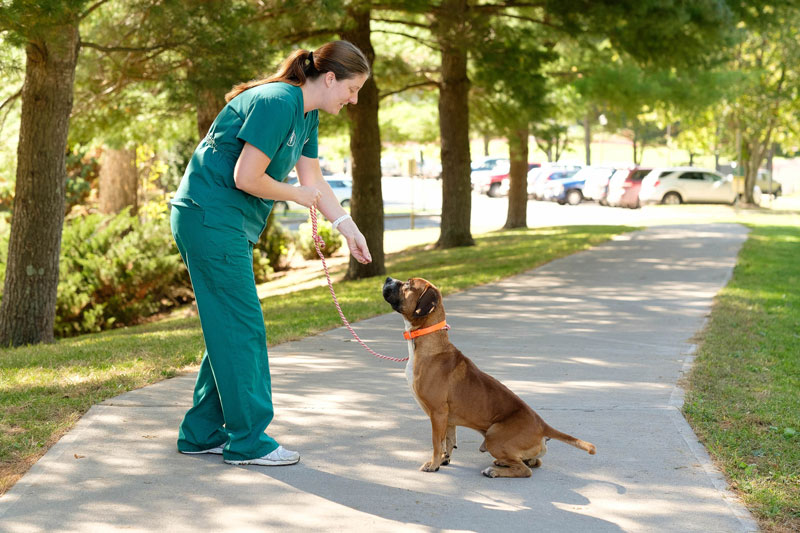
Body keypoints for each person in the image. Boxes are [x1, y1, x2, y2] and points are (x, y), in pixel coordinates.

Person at [170, 41, 372, 466]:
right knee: (243, 328)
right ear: (330, 78)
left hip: (223, 223)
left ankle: (201, 432)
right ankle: (248, 441)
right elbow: (247, 177)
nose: (353, 100)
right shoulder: (279, 102)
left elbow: (312, 176)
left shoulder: (307, 113)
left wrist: (346, 226)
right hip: (209, 219)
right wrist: (296, 196)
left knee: (230, 326)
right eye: (351, 90)